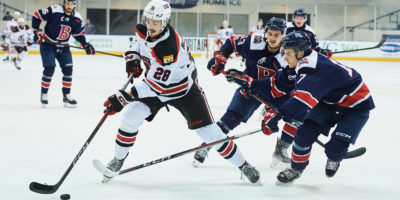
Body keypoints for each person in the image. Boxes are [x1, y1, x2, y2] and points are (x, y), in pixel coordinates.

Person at [100, 0, 260, 185]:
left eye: (155, 22)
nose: (150, 26)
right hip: (156, 86)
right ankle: (118, 159)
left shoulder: (167, 48)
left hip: (182, 90)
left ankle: (243, 165)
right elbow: (138, 45)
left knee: (210, 134)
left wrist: (123, 97)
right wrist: (133, 59)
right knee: (130, 118)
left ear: (165, 22)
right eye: (148, 20)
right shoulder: (146, 30)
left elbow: (156, 85)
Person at [227, 31, 374, 184]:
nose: (284, 57)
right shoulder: (300, 63)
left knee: (334, 151)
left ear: (301, 53)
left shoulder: (310, 68)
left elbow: (302, 100)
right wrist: (251, 82)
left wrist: (278, 113)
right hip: (329, 102)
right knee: (303, 136)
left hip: (355, 107)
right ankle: (296, 169)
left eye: (288, 53)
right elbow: (279, 83)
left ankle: (335, 157)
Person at [193, 17, 297, 168]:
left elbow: (285, 86)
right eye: (270, 34)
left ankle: (282, 149)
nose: (273, 38)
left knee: (296, 116)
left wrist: (273, 111)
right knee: (231, 118)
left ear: (283, 35)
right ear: (266, 32)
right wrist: (221, 57)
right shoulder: (255, 42)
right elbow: (232, 43)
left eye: (277, 35)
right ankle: (207, 145)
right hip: (249, 89)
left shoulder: (287, 55)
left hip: (275, 93)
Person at [32, 0, 95, 108]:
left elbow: (78, 34)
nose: (69, 6)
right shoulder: (55, 10)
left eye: (71, 4)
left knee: (68, 70)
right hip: (48, 44)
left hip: (64, 47)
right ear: (64, 3)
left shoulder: (77, 18)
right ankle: (44, 93)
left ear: (74, 5)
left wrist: (85, 44)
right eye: (67, 3)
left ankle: (66, 95)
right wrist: (37, 31)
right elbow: (36, 16)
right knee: (49, 68)